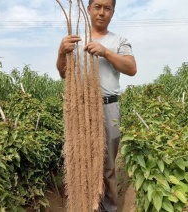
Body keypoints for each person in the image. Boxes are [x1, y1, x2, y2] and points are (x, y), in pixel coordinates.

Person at [56, 0, 137, 211]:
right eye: (97, 6)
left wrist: (106, 52)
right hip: (79, 109)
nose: (102, 12)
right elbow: (63, 73)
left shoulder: (119, 40)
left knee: (108, 165)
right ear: (89, 9)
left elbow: (131, 68)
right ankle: (82, 205)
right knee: (80, 163)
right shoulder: (73, 40)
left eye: (107, 8)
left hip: (108, 107)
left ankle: (108, 207)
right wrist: (61, 53)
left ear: (113, 12)